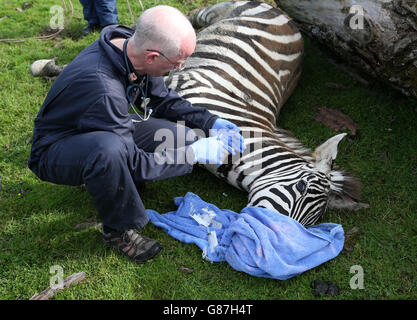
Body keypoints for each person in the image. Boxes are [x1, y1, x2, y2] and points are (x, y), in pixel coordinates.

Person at [28, 5, 245, 264]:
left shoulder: (130, 49)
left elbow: (163, 99)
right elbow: (136, 162)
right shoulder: (102, 88)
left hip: (100, 124)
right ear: (153, 57)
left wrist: (210, 122)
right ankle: (118, 230)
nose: (179, 68)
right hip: (57, 147)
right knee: (109, 152)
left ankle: (111, 180)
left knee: (182, 136)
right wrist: (193, 154)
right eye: (177, 62)